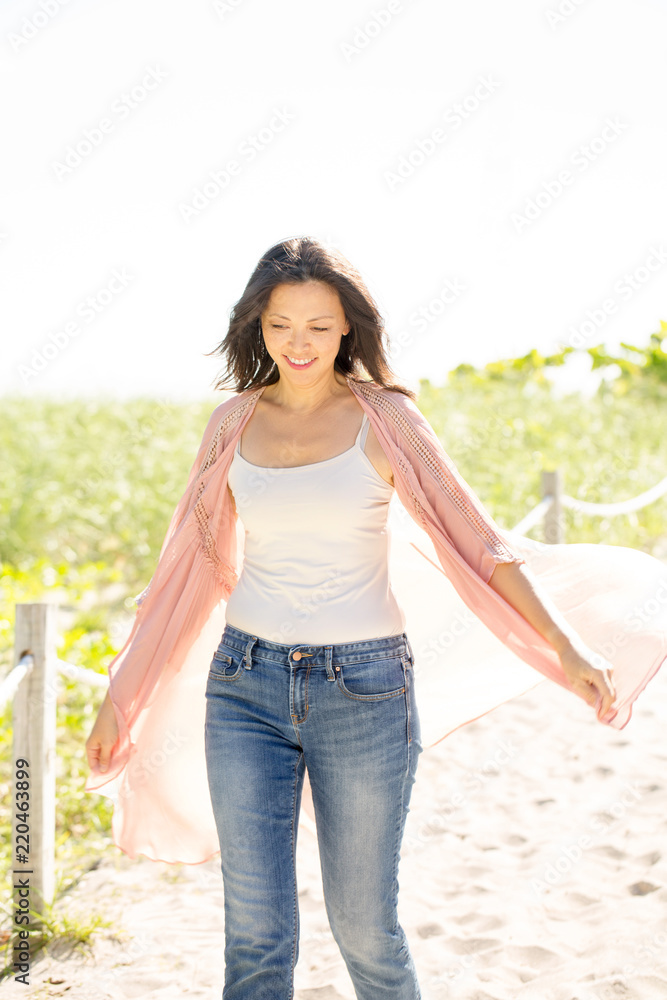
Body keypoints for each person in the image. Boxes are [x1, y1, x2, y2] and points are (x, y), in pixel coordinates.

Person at [87, 236, 622, 999]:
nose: (298, 343)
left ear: (347, 327)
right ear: (257, 325)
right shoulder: (231, 424)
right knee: (255, 935)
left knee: (366, 930)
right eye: (280, 324)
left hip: (364, 692)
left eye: (317, 325)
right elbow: (185, 571)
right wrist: (122, 696)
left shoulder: (387, 419)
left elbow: (479, 542)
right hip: (244, 687)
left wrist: (566, 648)